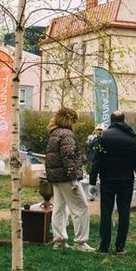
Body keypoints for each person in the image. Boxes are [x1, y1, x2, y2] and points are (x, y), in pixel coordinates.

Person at [89, 111, 136, 254]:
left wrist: (92, 181)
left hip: (108, 179)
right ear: (123, 120)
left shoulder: (104, 136)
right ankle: (120, 246)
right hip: (126, 180)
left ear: (111, 120)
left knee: (106, 213)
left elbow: (97, 161)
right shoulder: (131, 138)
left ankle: (104, 246)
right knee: (124, 213)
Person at [43, 107, 94, 252]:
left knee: (59, 208)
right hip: (67, 177)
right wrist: (73, 178)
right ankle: (80, 242)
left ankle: (59, 241)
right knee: (81, 207)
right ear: (71, 120)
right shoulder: (67, 135)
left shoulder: (54, 133)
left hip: (56, 178)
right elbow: (69, 157)